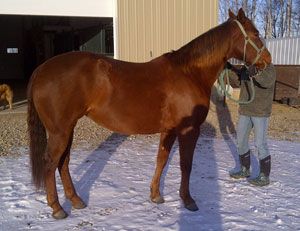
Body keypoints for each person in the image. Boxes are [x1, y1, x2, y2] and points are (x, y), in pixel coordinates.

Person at [226, 62, 276, 186]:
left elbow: (267, 82)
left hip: (260, 111)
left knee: (260, 143)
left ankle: (264, 176)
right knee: (241, 141)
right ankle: (245, 169)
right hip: (245, 109)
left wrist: (256, 73)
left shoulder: (269, 68)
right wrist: (229, 68)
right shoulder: (247, 67)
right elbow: (240, 81)